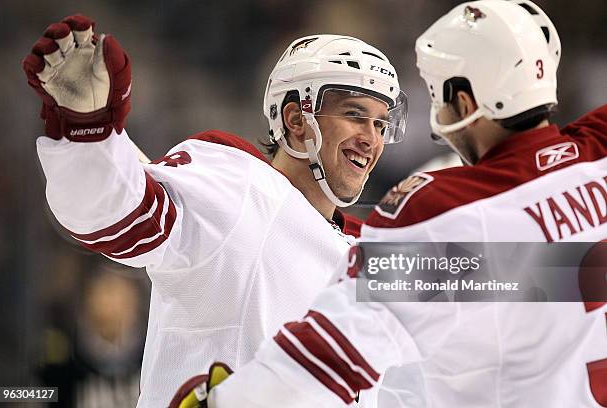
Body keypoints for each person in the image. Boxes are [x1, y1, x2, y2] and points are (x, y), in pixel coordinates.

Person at [169, 1, 607, 407]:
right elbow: (544, 269)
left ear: (465, 102)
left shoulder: (443, 214)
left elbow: (334, 355)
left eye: (438, 96)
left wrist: (228, 402)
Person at [22, 15, 408, 407]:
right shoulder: (241, 189)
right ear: (295, 119)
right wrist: (89, 133)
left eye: (380, 124)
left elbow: (466, 280)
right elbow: (121, 218)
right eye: (355, 115)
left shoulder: (372, 249)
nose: (371, 139)